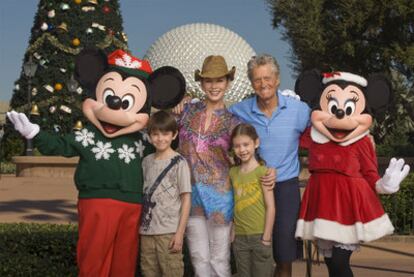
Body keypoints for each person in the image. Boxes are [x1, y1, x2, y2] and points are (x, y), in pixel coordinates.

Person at [294, 70, 410, 277]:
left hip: (347, 206)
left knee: (340, 262)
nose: (340, 113)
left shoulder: (362, 141)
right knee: (331, 263)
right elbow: (290, 137)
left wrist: (385, 184)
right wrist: (290, 110)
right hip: (321, 203)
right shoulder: (314, 136)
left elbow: (370, 173)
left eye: (348, 108)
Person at [174, 55, 275, 277]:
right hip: (190, 197)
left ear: (227, 83)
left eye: (219, 81)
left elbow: (248, 153)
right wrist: (179, 100)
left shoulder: (233, 122)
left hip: (220, 199)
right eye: (208, 81)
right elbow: (159, 127)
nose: (214, 86)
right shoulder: (187, 112)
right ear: (201, 83)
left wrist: (270, 169)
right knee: (199, 258)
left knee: (219, 259)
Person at [227, 54, 310, 277]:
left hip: (285, 188)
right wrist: (184, 104)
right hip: (254, 188)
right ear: (251, 83)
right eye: (257, 79)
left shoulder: (299, 110)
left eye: (267, 78)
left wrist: (363, 136)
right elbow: (215, 124)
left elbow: (325, 128)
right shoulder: (239, 111)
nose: (263, 84)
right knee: (255, 252)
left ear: (277, 79)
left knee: (284, 256)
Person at [139, 110, 192, 277]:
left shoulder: (179, 163)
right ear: (149, 136)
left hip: (169, 232)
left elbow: (186, 199)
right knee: (148, 272)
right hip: (147, 232)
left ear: (174, 134)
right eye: (155, 134)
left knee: (172, 272)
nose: (160, 138)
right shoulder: (146, 161)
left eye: (165, 133)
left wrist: (180, 233)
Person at [229, 123, 275, 277]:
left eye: (246, 144)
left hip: (260, 236)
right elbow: (233, 203)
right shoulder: (233, 173)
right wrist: (233, 230)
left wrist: (266, 238)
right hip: (240, 238)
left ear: (256, 143)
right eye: (237, 146)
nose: (242, 150)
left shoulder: (263, 172)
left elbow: (271, 207)